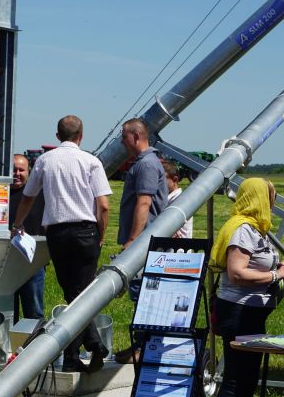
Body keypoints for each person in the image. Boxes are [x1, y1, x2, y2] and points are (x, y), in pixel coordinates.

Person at [11, 115, 112, 373]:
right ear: (81, 135)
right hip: (85, 231)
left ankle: (81, 350)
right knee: (81, 296)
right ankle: (85, 348)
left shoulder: (44, 161)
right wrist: (100, 234)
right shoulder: (91, 161)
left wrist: (17, 224)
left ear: (57, 137)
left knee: (73, 294)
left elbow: (28, 197)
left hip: (57, 234)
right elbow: (103, 205)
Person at [211, 178, 284, 397]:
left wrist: (280, 267)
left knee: (248, 378)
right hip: (238, 312)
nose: (273, 202)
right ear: (259, 198)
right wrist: (275, 275)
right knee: (235, 379)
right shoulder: (243, 229)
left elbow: (254, 264)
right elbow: (237, 272)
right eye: (271, 197)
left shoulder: (255, 229)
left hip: (250, 313)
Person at [114, 117, 168, 364]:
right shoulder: (144, 162)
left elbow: (144, 202)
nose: (121, 141)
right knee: (141, 295)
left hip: (144, 245)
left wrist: (133, 241)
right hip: (145, 244)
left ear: (136, 137)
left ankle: (144, 349)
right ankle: (140, 345)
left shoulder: (146, 164)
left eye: (123, 136)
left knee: (144, 296)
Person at [9, 154, 46, 323]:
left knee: (34, 311)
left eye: (21, 170)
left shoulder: (39, 194)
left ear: (28, 172)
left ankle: (35, 345)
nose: (17, 173)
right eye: (13, 169)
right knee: (8, 311)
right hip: (5, 260)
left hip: (33, 263)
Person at [161, 159, 193, 238]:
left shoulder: (179, 201)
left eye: (162, 180)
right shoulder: (169, 199)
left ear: (175, 179)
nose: (158, 184)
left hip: (178, 249)